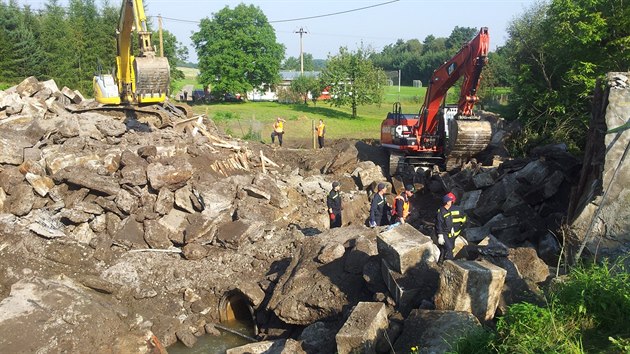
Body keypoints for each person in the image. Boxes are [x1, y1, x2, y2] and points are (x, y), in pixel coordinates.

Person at [436, 192, 466, 263]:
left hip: (449, 233)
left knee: (448, 248)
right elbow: (464, 220)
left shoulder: (442, 211)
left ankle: (445, 262)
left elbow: (439, 224)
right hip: (451, 233)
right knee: (449, 248)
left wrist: (440, 234)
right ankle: (446, 262)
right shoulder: (459, 209)